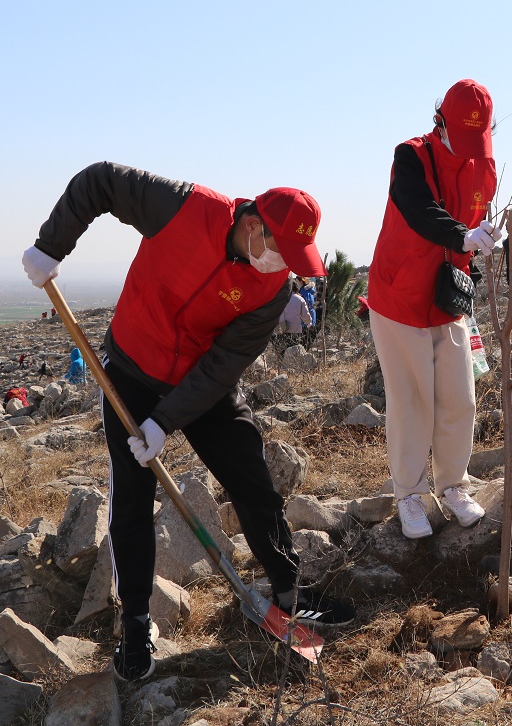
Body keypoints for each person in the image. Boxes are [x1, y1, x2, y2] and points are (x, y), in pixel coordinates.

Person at [21, 161, 355, 682]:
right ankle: (135, 624)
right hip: (130, 370)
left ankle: (290, 593)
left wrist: (165, 422)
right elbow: (100, 180)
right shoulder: (182, 207)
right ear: (253, 226)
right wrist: (51, 246)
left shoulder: (270, 291)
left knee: (252, 477)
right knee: (132, 497)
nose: (282, 269)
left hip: (202, 384)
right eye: (280, 253)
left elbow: (223, 366)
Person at [367, 79, 503, 539]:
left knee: (459, 396)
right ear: (439, 121)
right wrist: (461, 236)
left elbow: (478, 217)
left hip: (447, 299)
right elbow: (418, 208)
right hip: (400, 296)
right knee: (410, 401)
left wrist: (479, 245)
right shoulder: (411, 156)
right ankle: (409, 493)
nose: (467, 150)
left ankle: (453, 485)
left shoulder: (484, 165)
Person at [278, 282, 313, 347]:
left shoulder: (281, 299)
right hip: (296, 329)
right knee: (294, 350)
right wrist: (309, 322)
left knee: (283, 351)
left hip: (282, 328)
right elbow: (305, 314)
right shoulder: (300, 299)